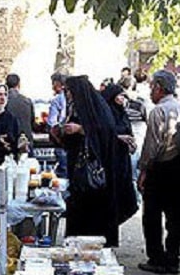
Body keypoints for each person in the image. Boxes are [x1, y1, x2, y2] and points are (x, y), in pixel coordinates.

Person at [53, 75, 137, 247]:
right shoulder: (77, 108)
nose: (66, 94)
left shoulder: (96, 109)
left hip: (94, 175)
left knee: (93, 220)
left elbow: (104, 132)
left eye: (68, 91)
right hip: (79, 175)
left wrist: (81, 129)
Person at [137, 70, 180, 274]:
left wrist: (143, 171)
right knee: (175, 217)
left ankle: (157, 258)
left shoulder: (158, 111)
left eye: (152, 86)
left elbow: (151, 147)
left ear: (158, 88)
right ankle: (172, 257)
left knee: (151, 215)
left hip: (160, 169)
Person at [5, 73, 35, 150]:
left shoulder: (3, 102)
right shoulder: (27, 101)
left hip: (8, 142)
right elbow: (32, 121)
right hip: (26, 141)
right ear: (19, 84)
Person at [48, 72, 69, 177]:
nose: (52, 87)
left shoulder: (57, 100)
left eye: (53, 84)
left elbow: (52, 122)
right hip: (75, 144)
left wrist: (57, 137)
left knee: (63, 176)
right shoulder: (75, 99)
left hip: (62, 142)